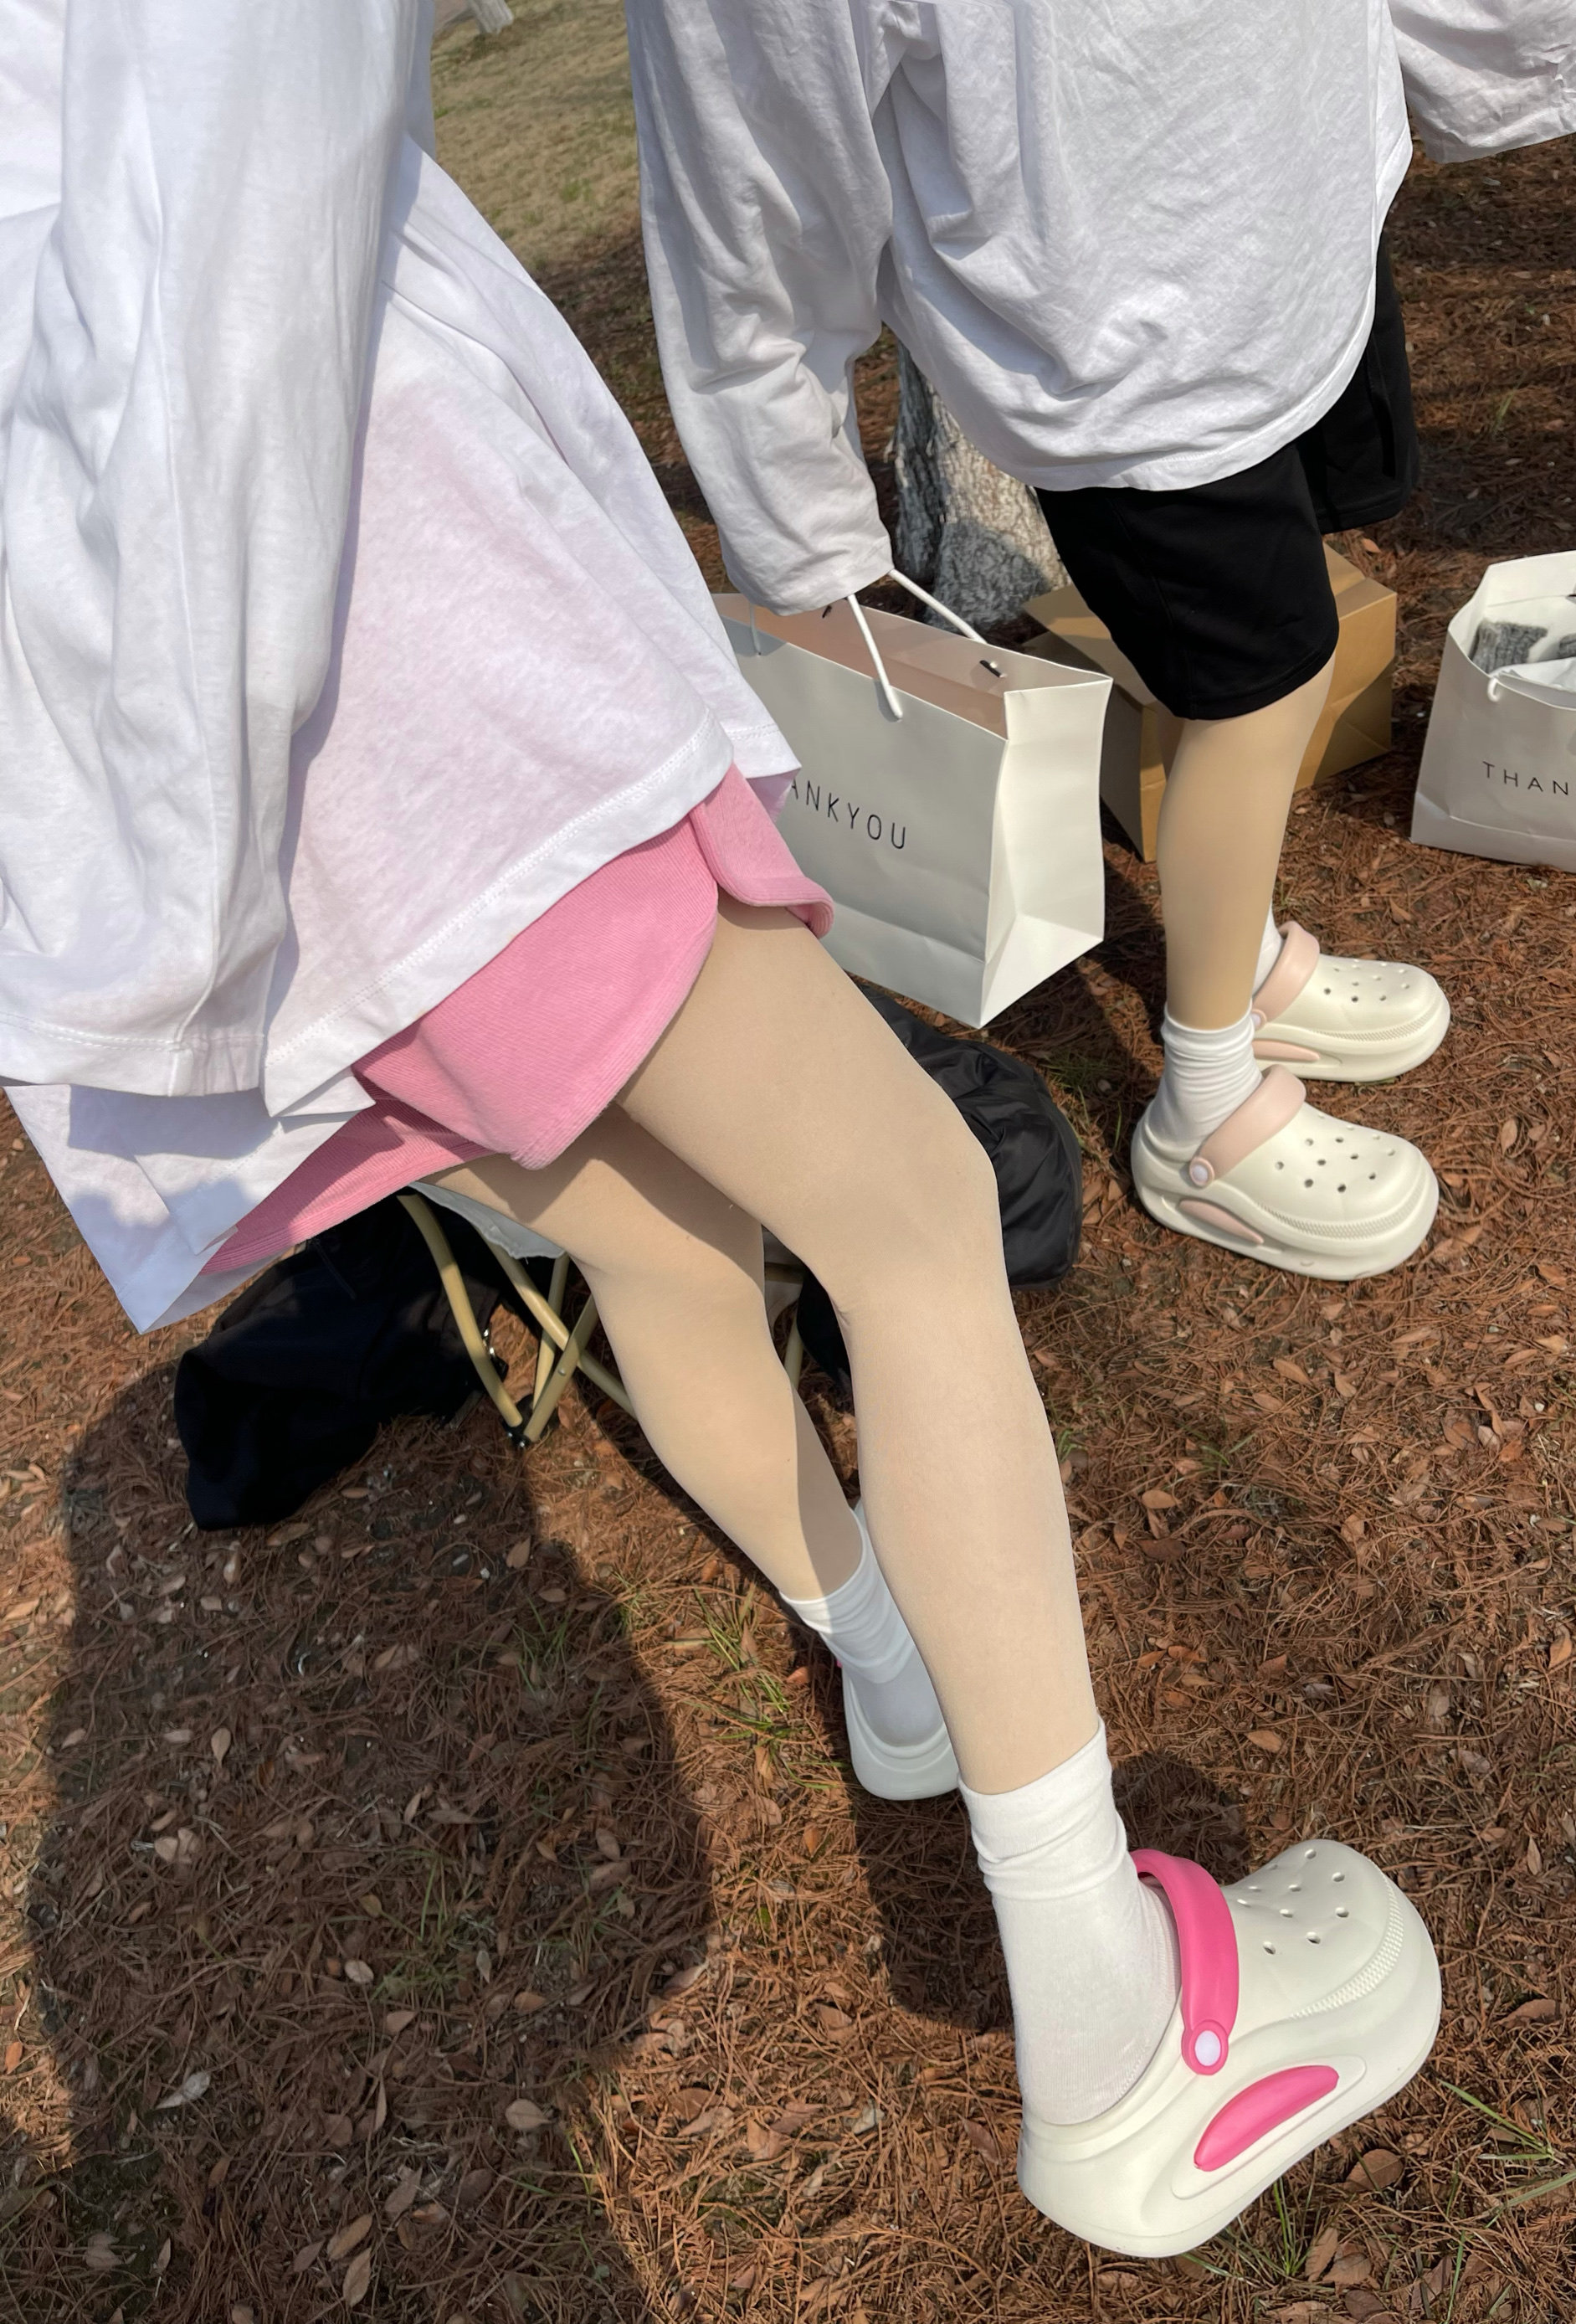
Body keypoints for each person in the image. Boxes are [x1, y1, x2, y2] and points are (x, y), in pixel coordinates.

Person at [0, 0, 1440, 2260]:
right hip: (400, 696)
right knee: (915, 1216)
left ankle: (889, 1668)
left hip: (175, 778)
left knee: (661, 1248)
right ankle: (1116, 2030)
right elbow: (259, 236)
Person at [624, 0, 1576, 1281]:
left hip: (1300, 184)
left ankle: (1237, 960)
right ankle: (1204, 1107)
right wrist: (795, 501)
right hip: (1111, 323)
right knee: (1262, 682)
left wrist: (1484, 54)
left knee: (1271, 651)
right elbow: (746, 156)